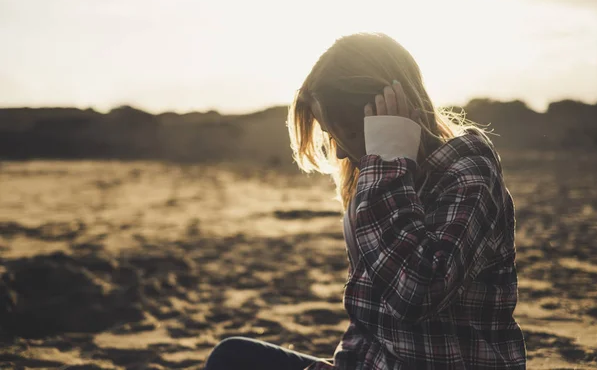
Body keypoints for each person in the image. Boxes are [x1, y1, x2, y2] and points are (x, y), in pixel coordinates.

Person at [204, 32, 527, 369]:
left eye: (349, 135)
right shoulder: (376, 179)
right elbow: (368, 325)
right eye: (332, 136)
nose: (340, 150)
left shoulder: (468, 172)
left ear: (396, 116)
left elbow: (416, 293)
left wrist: (386, 166)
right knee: (232, 356)